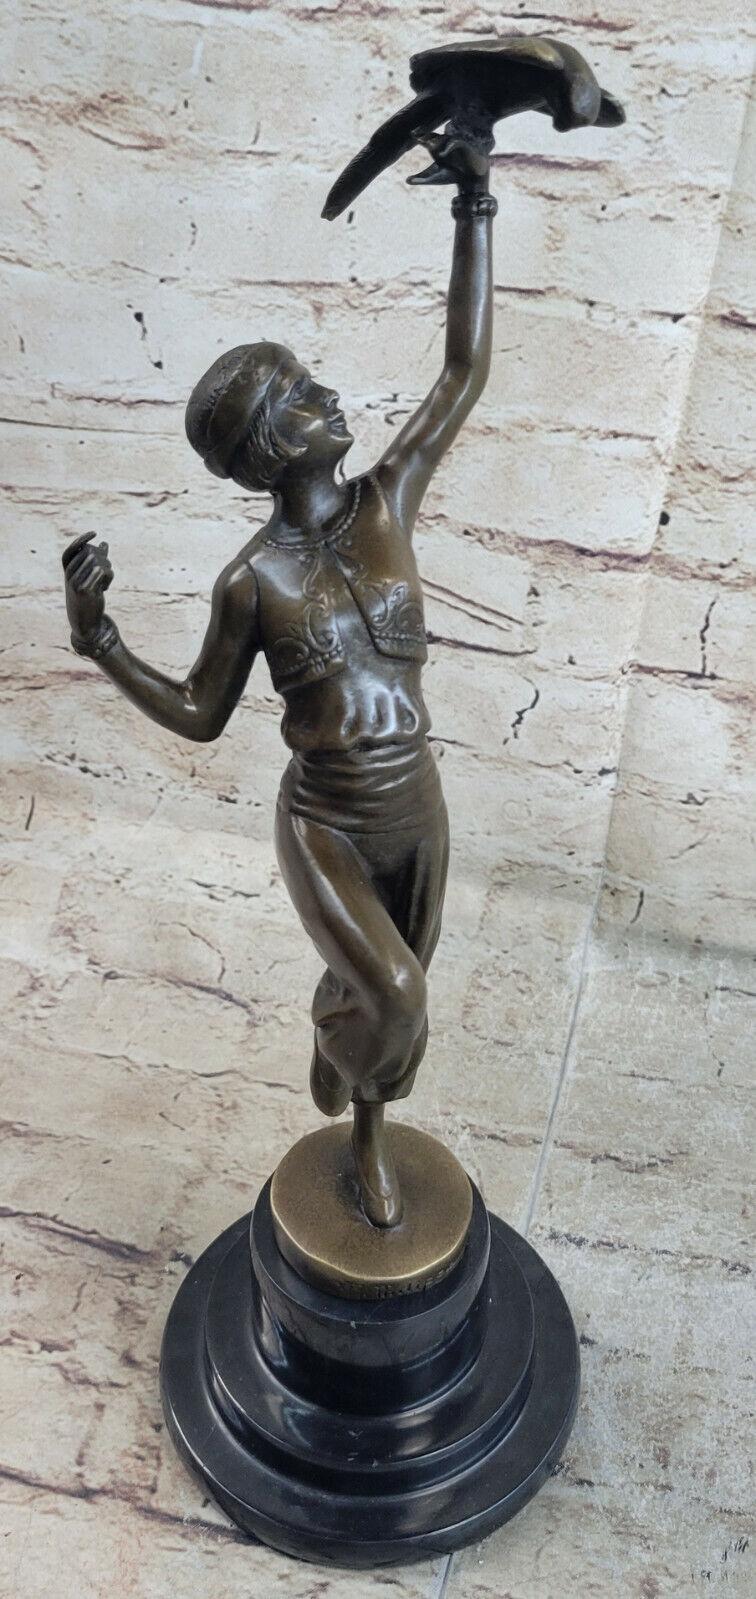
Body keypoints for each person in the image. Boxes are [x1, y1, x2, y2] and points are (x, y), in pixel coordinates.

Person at [62, 133, 496, 1228]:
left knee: (406, 1002)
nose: (328, 395)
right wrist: (100, 641)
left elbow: (463, 371)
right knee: (393, 993)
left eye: (311, 379)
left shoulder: (388, 499)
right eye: (300, 396)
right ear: (263, 452)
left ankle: (367, 1133)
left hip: (417, 805)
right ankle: (337, 1032)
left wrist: (475, 202)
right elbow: (202, 714)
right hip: (327, 822)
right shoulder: (250, 580)